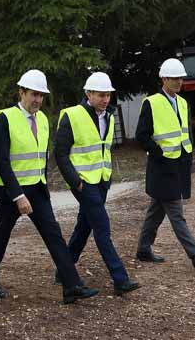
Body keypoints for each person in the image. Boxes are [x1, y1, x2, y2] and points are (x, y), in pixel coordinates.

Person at [0, 70, 100, 304]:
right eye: (34, 94)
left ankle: (71, 285)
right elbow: (2, 161)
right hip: (10, 192)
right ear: (22, 92)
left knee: (54, 235)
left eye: (41, 95)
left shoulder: (44, 119)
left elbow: (40, 157)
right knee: (1, 236)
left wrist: (41, 185)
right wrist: (18, 195)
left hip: (37, 189)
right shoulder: (4, 118)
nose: (37, 100)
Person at [54, 72, 141, 296]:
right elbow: (61, 154)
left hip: (101, 181)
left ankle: (63, 270)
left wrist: (107, 178)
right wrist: (76, 182)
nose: (105, 99)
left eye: (108, 95)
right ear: (88, 94)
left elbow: (104, 149)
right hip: (84, 183)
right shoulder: (71, 116)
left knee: (84, 227)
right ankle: (120, 278)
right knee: (102, 228)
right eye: (101, 95)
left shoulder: (109, 116)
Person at [134, 58, 195, 268]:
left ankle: (143, 249)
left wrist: (190, 153)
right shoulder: (151, 102)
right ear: (163, 79)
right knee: (176, 212)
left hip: (179, 165)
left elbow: (186, 132)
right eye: (173, 78)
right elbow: (141, 135)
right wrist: (158, 153)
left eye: (180, 78)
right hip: (162, 167)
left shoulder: (183, 103)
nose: (178, 82)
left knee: (156, 210)